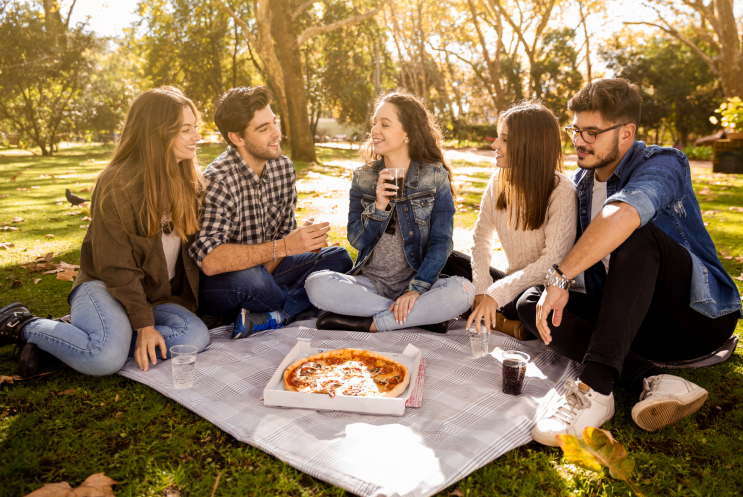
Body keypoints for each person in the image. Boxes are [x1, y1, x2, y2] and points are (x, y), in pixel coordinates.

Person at [515, 79, 742, 446]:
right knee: (532, 301)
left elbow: (623, 215)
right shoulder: (580, 184)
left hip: (696, 319)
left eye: (592, 132)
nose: (579, 140)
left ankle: (597, 389)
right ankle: (648, 378)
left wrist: (560, 277)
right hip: (634, 325)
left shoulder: (664, 162)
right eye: (576, 129)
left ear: (626, 133)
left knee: (634, 231)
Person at [0, 86, 212, 376]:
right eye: (186, 130)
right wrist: (145, 326)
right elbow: (115, 267)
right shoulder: (116, 184)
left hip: (154, 297)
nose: (197, 137)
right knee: (104, 358)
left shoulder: (192, 183)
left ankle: (72, 339)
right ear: (158, 133)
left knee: (194, 337)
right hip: (105, 286)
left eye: (195, 127)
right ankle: (21, 323)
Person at [305, 90, 475, 333]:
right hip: (370, 284)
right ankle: (417, 315)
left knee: (464, 291)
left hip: (418, 282)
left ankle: (375, 323)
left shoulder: (435, 176)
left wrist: (416, 289)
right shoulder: (363, 177)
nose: (375, 130)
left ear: (407, 132)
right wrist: (379, 207)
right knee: (316, 284)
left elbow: (441, 241)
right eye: (375, 123)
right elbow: (356, 240)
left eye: (385, 124)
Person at [189, 86, 352, 338]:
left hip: (270, 269)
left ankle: (274, 314)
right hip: (227, 283)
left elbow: (285, 238)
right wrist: (284, 247)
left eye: (273, 122)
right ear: (237, 138)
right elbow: (209, 261)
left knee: (338, 258)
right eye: (263, 128)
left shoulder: (283, 168)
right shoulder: (217, 180)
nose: (276, 133)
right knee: (255, 282)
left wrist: (302, 242)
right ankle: (286, 306)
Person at [442, 101, 578, 340]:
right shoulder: (498, 181)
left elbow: (552, 263)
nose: (495, 145)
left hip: (543, 289)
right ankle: (502, 322)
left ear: (529, 146)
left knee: (528, 304)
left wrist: (496, 293)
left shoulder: (560, 190)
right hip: (509, 285)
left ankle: (494, 315)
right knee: (445, 259)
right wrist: (483, 290)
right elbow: (481, 238)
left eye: (504, 139)